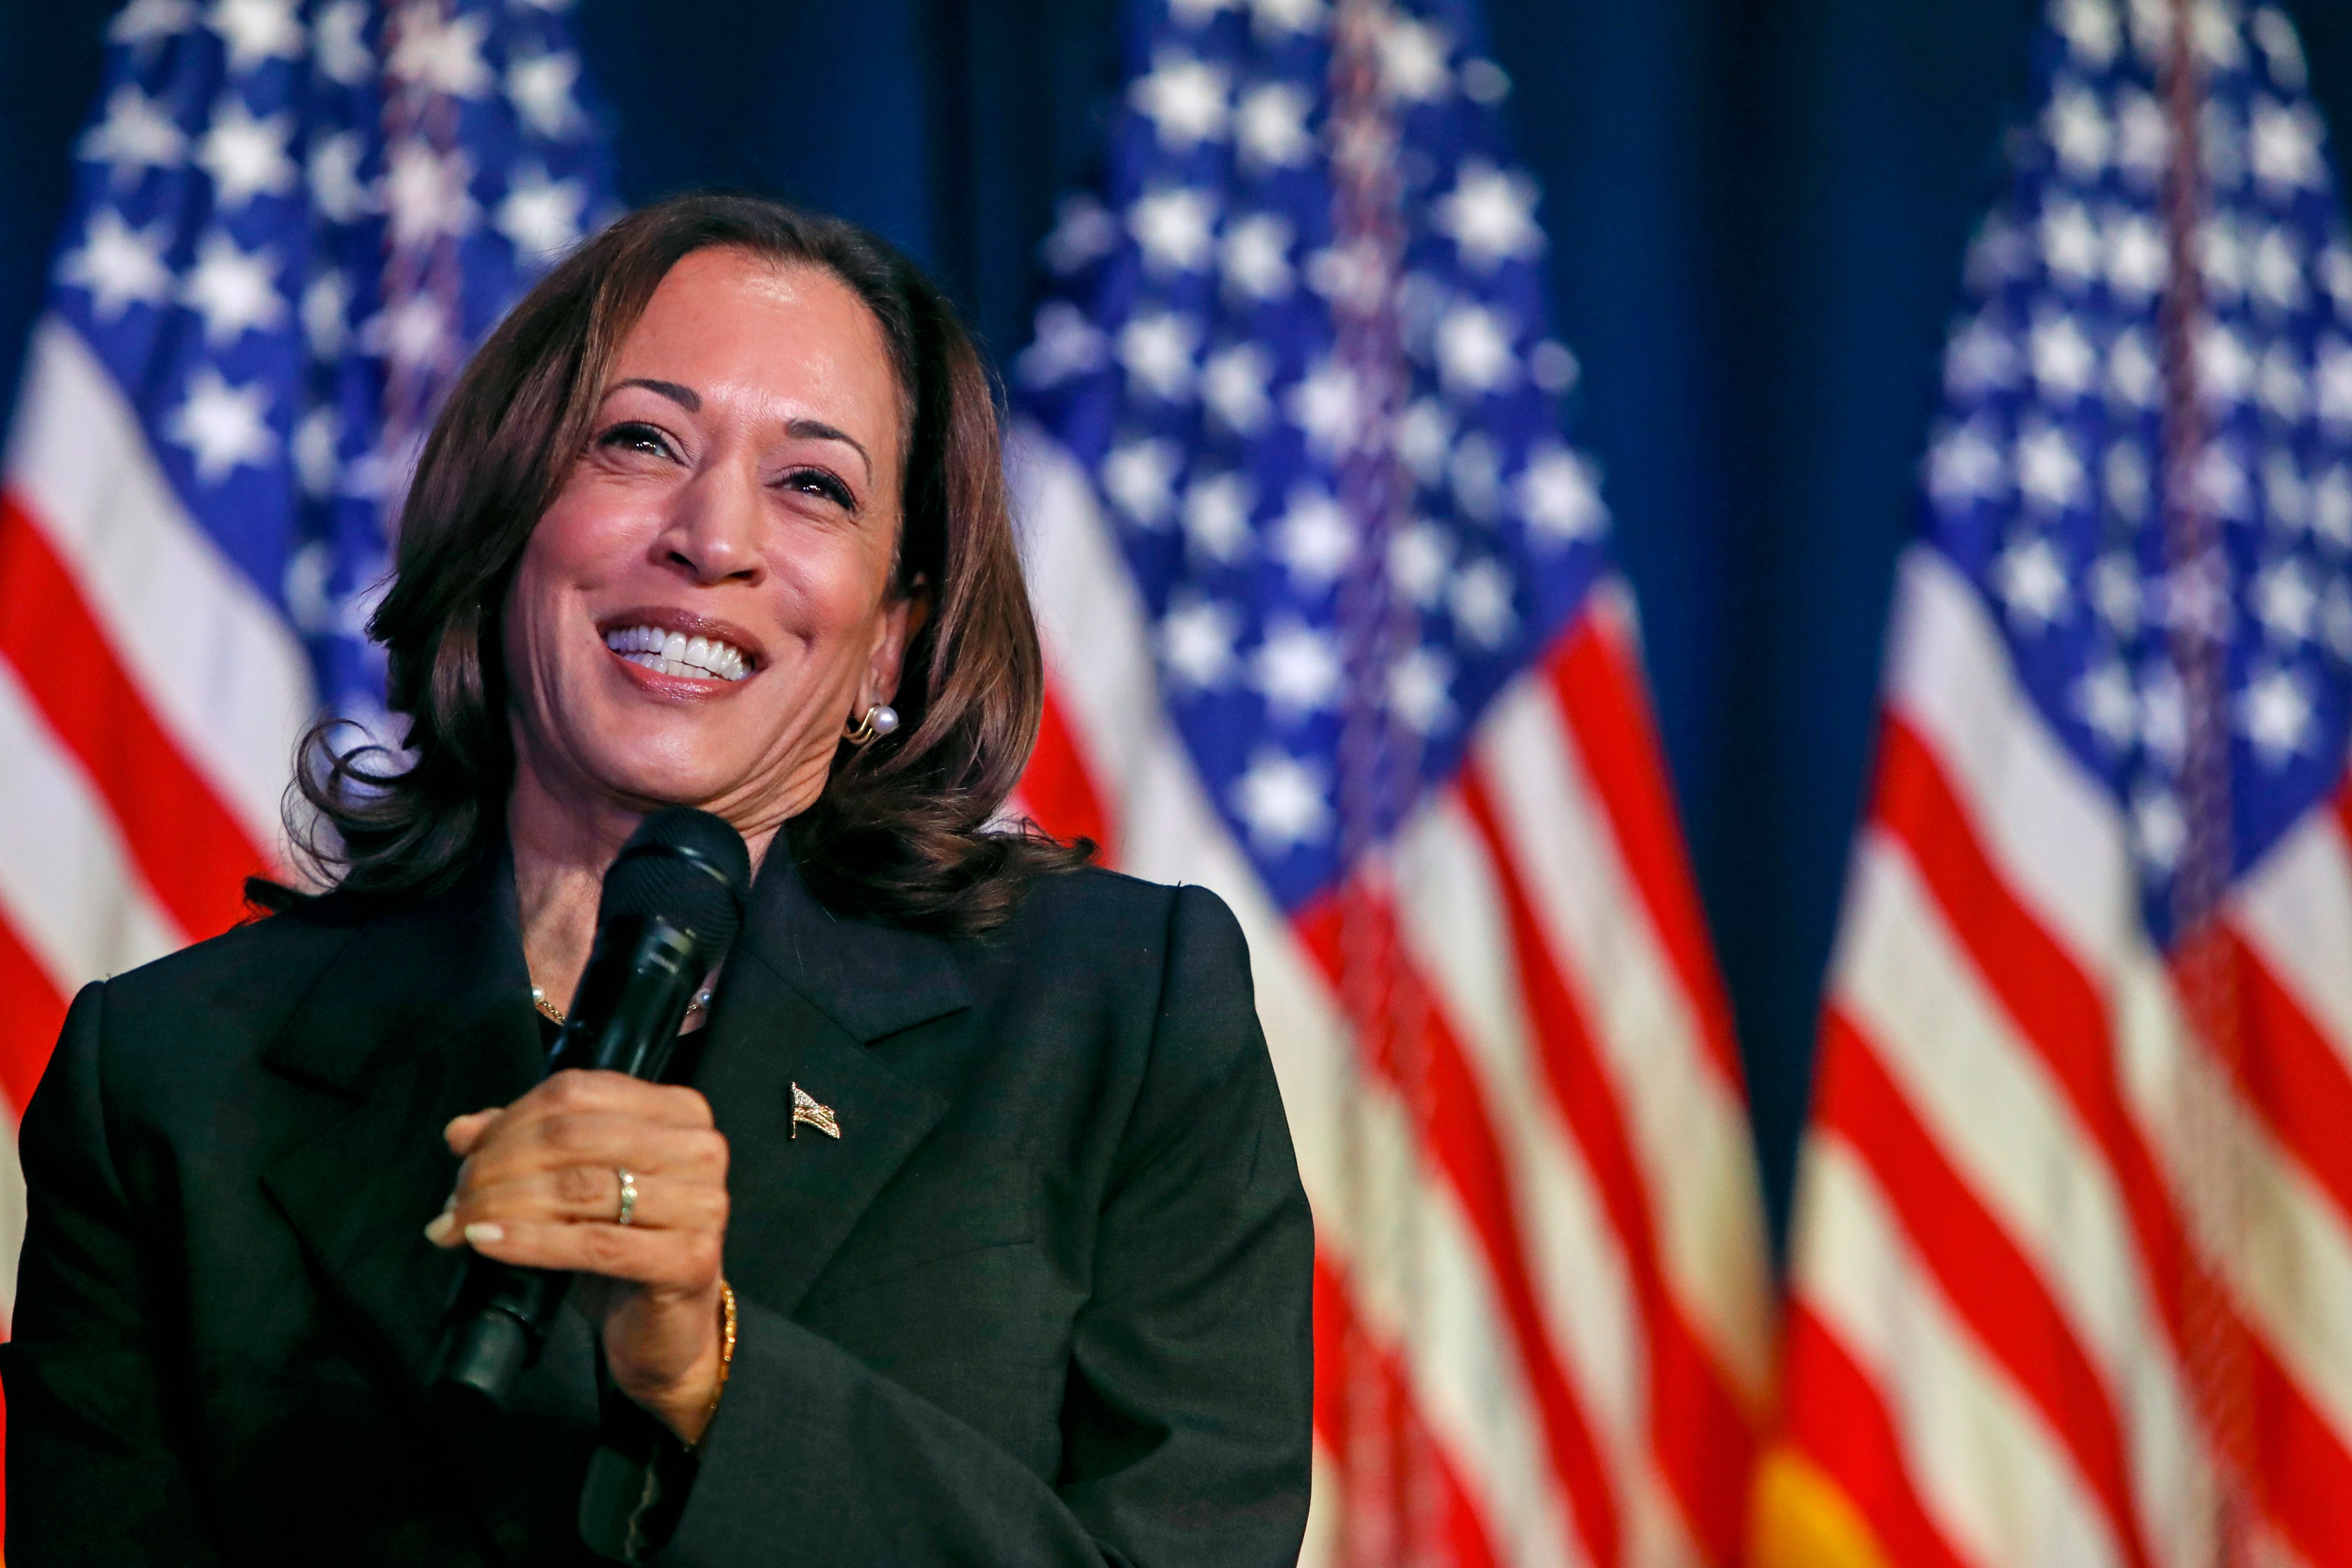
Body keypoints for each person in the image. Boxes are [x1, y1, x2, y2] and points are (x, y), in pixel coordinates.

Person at [3, 193, 1314, 1566]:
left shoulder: (1116, 1014)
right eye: (641, 441)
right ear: (509, 522)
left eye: (815, 483)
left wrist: (715, 1374)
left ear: (889, 637)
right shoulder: (170, 1074)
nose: (713, 536)